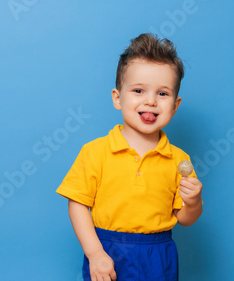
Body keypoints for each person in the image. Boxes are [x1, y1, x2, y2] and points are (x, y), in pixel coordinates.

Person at [56, 33, 203, 281]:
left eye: (163, 94)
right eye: (138, 90)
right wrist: (94, 253)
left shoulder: (178, 159)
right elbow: (77, 203)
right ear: (117, 98)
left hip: (159, 254)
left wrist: (194, 202)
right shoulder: (95, 151)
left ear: (175, 105)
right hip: (108, 250)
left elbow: (185, 219)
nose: (150, 101)